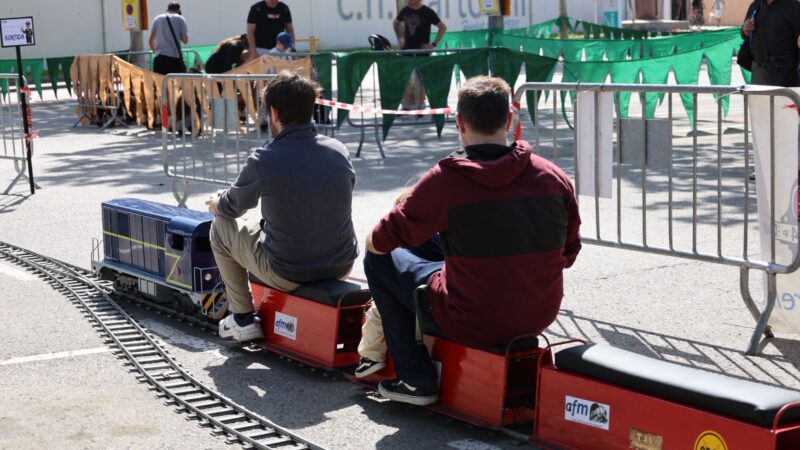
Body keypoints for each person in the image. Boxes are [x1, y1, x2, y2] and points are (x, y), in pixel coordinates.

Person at [362, 76, 582, 405]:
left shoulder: (446, 180)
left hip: (470, 319)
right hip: (538, 315)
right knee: (439, 246)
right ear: (509, 120)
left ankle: (414, 377)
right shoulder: (553, 176)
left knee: (378, 259)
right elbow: (569, 250)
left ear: (459, 122)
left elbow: (380, 241)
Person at [206, 71, 359, 343]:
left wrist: (215, 202)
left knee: (220, 228)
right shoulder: (339, 150)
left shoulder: (265, 158)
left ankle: (242, 317)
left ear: (274, 113)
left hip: (288, 270)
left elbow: (232, 208)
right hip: (341, 263)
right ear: (312, 108)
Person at [393, 0, 447, 110]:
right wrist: (399, 39)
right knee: (406, 78)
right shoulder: (405, 10)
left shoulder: (428, 12)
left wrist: (433, 44)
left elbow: (442, 27)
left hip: (422, 52)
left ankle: (421, 106)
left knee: (422, 80)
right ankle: (405, 106)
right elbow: (395, 23)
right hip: (407, 50)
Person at [742, 0, 800, 87]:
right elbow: (744, 34)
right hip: (759, 73)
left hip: (786, 74)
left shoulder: (794, 6)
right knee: (759, 100)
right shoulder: (755, 5)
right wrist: (745, 30)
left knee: (784, 100)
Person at [149, 3, 189, 75]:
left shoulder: (157, 18)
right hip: (174, 59)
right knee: (175, 84)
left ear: (167, 10)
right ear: (178, 10)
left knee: (160, 84)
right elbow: (185, 40)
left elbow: (151, 40)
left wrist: (156, 53)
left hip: (160, 58)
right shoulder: (180, 19)